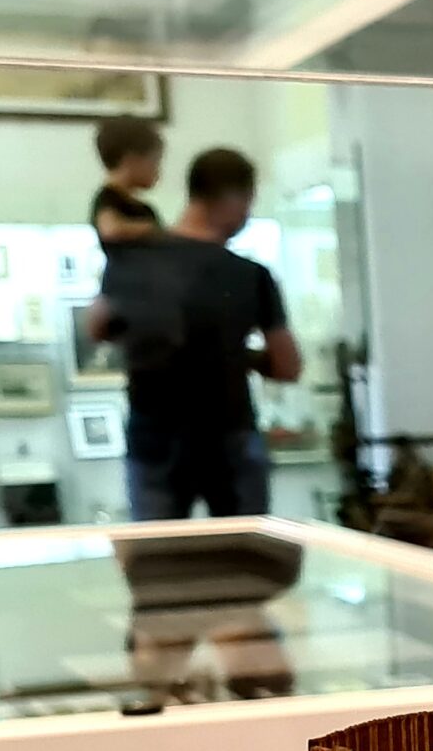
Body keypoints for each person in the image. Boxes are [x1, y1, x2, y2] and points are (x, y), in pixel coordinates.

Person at [92, 146, 302, 520]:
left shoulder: (129, 261)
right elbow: (288, 365)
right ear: (233, 198)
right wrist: (240, 356)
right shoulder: (250, 275)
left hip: (153, 434)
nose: (246, 214)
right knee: (243, 550)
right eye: (247, 203)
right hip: (228, 433)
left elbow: (97, 326)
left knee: (157, 551)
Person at [90, 116, 164, 249]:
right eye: (154, 162)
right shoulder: (108, 198)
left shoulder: (142, 208)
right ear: (131, 160)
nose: (158, 171)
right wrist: (152, 229)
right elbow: (110, 229)